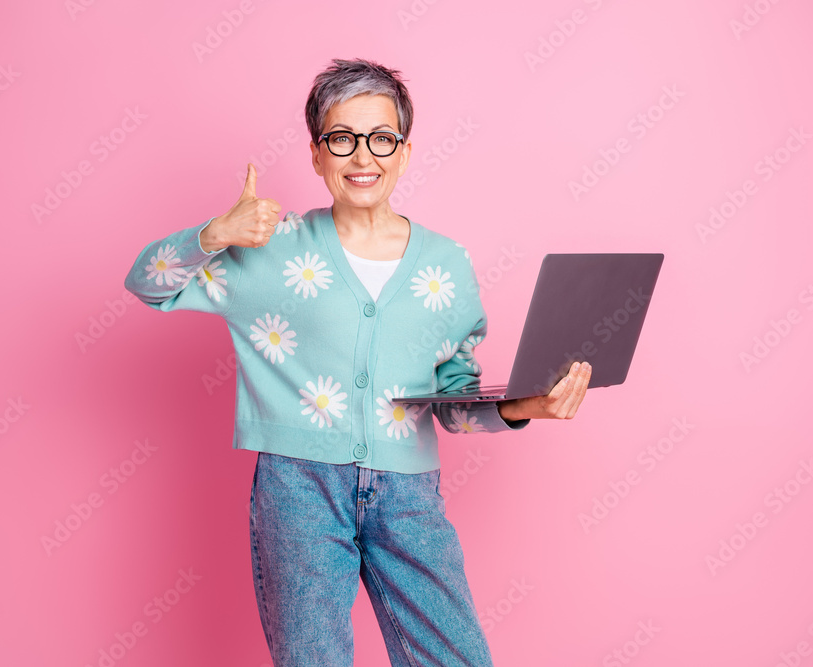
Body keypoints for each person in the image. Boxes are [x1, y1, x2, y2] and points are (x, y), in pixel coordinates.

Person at [124, 57, 591, 667]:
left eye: (381, 138)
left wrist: (532, 405)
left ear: (404, 150)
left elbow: (453, 407)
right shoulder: (269, 248)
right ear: (317, 155)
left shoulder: (446, 264)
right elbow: (146, 283)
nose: (362, 157)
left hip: (409, 494)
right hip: (298, 488)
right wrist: (216, 233)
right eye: (341, 139)